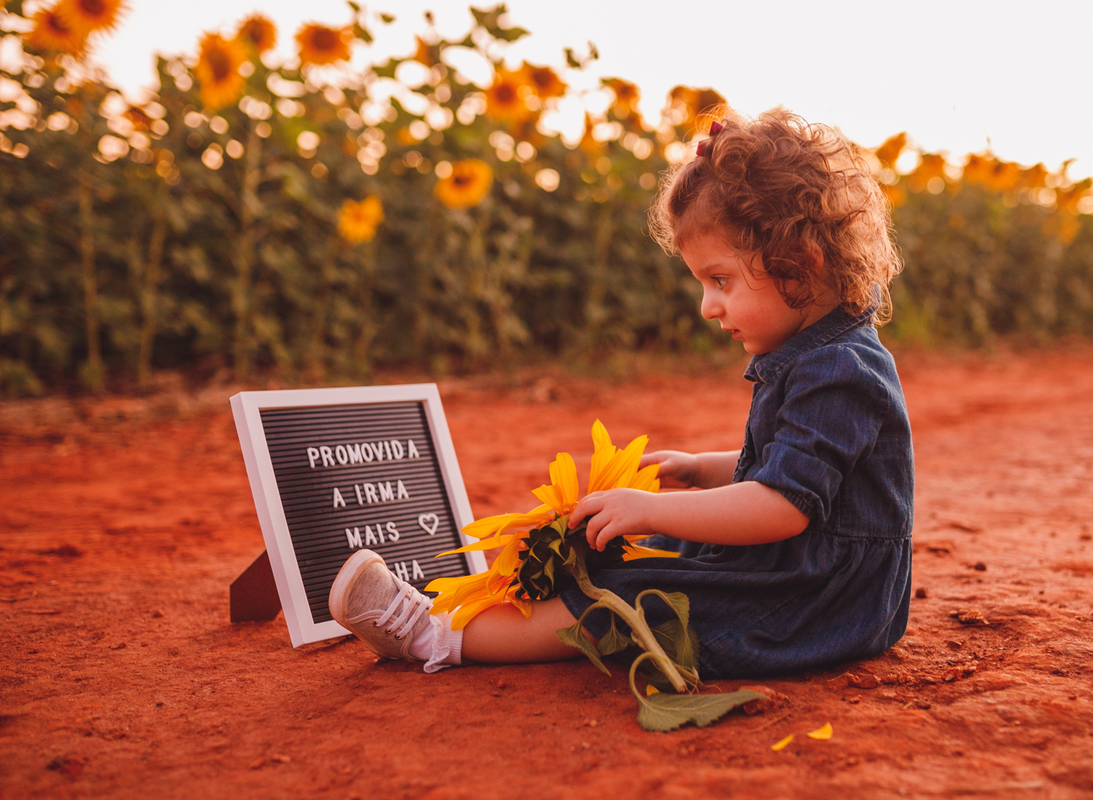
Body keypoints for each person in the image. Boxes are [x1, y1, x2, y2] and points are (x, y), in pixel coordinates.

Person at [328, 107, 913, 678]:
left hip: (819, 603)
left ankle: (432, 636)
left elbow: (783, 507)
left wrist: (653, 506)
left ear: (797, 265)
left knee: (633, 595)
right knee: (653, 549)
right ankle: (487, 606)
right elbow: (795, 475)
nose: (708, 306)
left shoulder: (840, 370)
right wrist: (702, 470)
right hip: (799, 574)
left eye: (720, 280)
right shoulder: (818, 356)